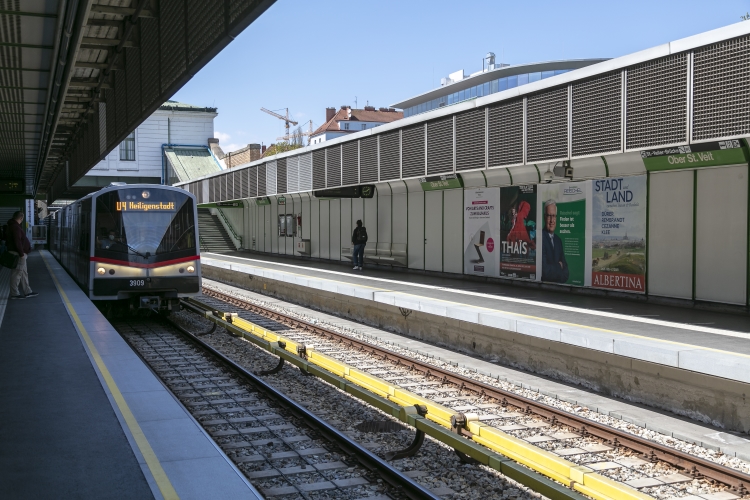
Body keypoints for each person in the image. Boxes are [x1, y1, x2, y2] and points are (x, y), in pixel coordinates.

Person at [7, 211, 37, 299]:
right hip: (18, 254)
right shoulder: (15, 227)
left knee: (23, 273)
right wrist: (21, 254)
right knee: (16, 274)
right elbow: (17, 241)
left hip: (19, 254)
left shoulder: (13, 226)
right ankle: (14, 293)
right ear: (21, 218)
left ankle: (27, 291)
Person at [541, 200, 569, 283]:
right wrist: (559, 266)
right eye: (549, 216)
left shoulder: (558, 241)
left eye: (554, 216)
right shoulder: (540, 238)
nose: (552, 220)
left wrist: (554, 272)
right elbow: (544, 271)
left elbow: (566, 272)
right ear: (544, 217)